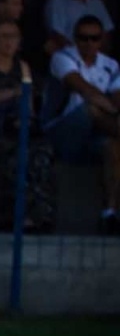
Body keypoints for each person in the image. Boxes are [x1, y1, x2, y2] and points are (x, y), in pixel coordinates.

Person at [0, 19, 54, 233]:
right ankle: (9, 217)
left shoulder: (22, 66)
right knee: (10, 156)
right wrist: (16, 92)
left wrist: (26, 118)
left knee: (41, 153)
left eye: (13, 37)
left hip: (19, 126)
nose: (8, 42)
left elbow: (29, 104)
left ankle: (38, 217)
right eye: (3, 36)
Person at [46, 15, 120, 234]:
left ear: (102, 40)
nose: (88, 43)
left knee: (114, 147)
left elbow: (117, 97)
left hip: (97, 134)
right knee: (91, 108)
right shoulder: (62, 57)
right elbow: (85, 90)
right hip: (63, 131)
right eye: (83, 38)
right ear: (75, 39)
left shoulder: (112, 65)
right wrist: (114, 113)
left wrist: (113, 111)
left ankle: (110, 213)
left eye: (94, 38)